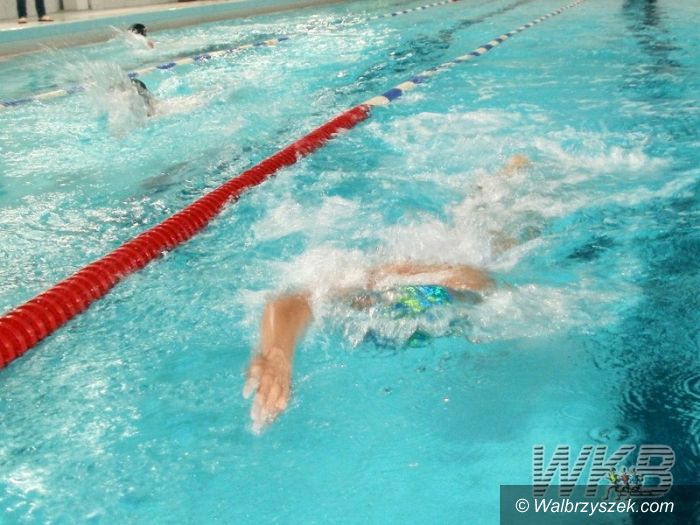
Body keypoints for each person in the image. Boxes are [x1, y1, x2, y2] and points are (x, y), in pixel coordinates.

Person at [241, 156, 533, 432]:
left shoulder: (446, 284)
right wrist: (277, 354)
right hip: (437, 274)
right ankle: (497, 184)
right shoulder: (363, 289)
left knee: (498, 234)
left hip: (468, 262)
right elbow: (292, 302)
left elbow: (476, 280)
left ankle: (508, 176)